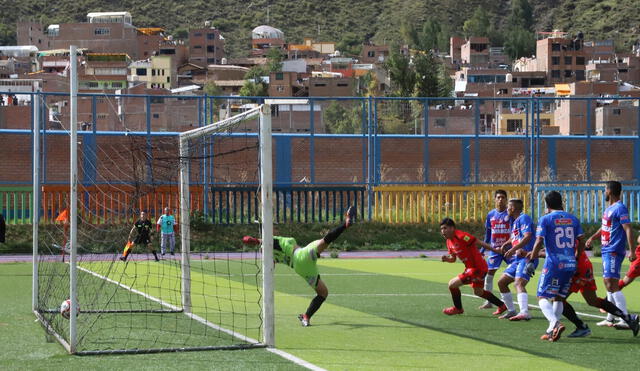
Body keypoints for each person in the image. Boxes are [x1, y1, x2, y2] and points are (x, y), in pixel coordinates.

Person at [242, 206, 356, 327]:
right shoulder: (271, 241)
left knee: (323, 293)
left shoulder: (267, 252)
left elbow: (271, 263)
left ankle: (306, 317)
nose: (275, 228)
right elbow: (264, 241)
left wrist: (255, 243)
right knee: (325, 241)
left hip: (301, 269)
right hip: (301, 257)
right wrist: (255, 240)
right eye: (274, 227)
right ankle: (346, 224)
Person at [528, 191, 580, 342]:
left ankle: (554, 323)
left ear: (547, 205)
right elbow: (581, 240)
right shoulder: (573, 219)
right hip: (570, 263)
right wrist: (576, 256)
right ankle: (552, 331)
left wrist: (532, 260)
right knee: (558, 297)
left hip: (554, 264)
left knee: (542, 296)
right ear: (561, 202)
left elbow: (538, 242)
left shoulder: (545, 219)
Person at [560, 247, 639, 337]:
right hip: (584, 267)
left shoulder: (557, 235)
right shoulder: (570, 234)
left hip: (575, 269)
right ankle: (628, 318)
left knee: (558, 300)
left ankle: (580, 327)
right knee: (593, 300)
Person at [586, 181, 634, 328]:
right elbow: (605, 226)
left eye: (605, 190)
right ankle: (610, 317)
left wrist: (632, 250)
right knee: (608, 284)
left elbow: (628, 228)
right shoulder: (609, 209)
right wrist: (593, 237)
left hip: (614, 250)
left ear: (609, 191)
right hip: (607, 250)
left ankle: (625, 319)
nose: (604, 192)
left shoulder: (620, 208)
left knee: (612, 284)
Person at [439, 217, 507, 316]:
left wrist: (496, 250)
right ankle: (502, 305)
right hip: (472, 269)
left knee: (452, 284)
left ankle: (458, 308)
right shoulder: (449, 242)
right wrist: (446, 259)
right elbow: (453, 259)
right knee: (478, 292)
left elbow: (478, 242)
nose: (443, 231)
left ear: (452, 228)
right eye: (441, 229)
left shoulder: (462, 236)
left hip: (477, 268)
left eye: (445, 228)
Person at [496, 199, 538, 320]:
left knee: (518, 283)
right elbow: (516, 237)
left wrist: (514, 249)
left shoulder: (524, 218)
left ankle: (524, 312)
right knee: (501, 282)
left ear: (513, 208)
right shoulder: (515, 221)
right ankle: (511, 311)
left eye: (508, 207)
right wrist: (506, 243)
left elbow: (528, 236)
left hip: (527, 257)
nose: (507, 209)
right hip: (517, 259)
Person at [479, 190, 513, 309]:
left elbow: (516, 232)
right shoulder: (491, 215)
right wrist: (482, 251)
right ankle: (488, 302)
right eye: (498, 197)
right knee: (489, 275)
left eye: (503, 197)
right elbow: (487, 235)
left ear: (506, 199)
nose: (500, 200)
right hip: (495, 250)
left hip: (509, 249)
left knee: (517, 275)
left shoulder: (510, 214)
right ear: (495, 199)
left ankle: (521, 298)